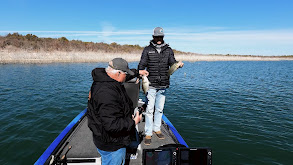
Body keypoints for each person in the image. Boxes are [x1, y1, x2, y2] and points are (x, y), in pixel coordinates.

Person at [87, 58, 147, 165]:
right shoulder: (106, 94)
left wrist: (138, 72)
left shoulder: (105, 78)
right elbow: (112, 125)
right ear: (118, 73)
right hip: (112, 145)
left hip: (103, 137)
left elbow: (125, 76)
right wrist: (134, 122)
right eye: (125, 73)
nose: (126, 77)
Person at [138, 27, 184, 145]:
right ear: (153, 37)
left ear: (163, 37)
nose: (159, 39)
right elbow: (141, 64)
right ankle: (148, 132)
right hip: (151, 84)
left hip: (163, 85)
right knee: (149, 109)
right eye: (157, 37)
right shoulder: (147, 50)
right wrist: (141, 72)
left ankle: (157, 129)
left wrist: (178, 65)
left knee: (159, 109)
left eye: (161, 37)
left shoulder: (168, 50)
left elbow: (172, 63)